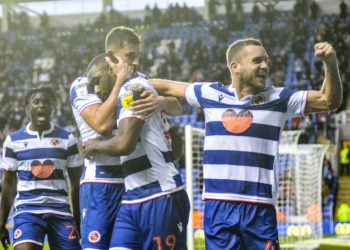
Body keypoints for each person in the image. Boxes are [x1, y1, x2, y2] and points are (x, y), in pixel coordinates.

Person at [143, 38, 342, 249]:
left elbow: (329, 101)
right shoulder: (209, 93)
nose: (265, 66)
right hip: (218, 204)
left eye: (266, 61)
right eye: (257, 61)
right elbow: (165, 86)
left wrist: (330, 63)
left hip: (259, 208)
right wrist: (131, 84)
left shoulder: (280, 98)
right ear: (235, 67)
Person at [83, 50, 190, 249]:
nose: (96, 90)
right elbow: (175, 151)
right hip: (132, 197)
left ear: (111, 69)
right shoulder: (129, 94)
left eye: (97, 80)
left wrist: (94, 144)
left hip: (159, 195)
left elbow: (125, 144)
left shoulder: (133, 89)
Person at [0, 86, 82, 250]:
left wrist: (78, 219)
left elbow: (76, 184)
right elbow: (8, 185)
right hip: (27, 211)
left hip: (60, 211)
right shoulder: (13, 141)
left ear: (53, 106)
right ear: (28, 107)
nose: (41, 105)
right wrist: (2, 224)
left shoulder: (68, 139)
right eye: (36, 102)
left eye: (46, 102)